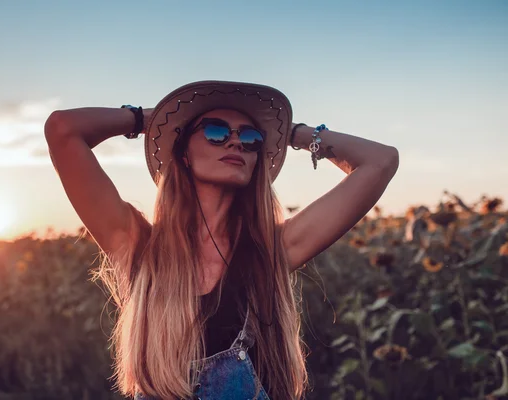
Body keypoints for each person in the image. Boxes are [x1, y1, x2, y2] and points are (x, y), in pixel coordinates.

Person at [44, 80, 399, 400]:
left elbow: (380, 161)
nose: (235, 141)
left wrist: (294, 134)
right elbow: (63, 129)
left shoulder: (272, 250)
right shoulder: (139, 245)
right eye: (215, 131)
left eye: (251, 138)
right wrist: (151, 120)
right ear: (182, 151)